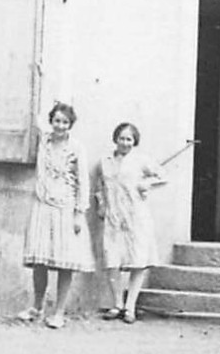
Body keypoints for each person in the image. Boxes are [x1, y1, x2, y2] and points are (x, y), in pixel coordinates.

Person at [17, 102, 92, 329]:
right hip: (42, 205)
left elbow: (83, 182)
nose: (60, 126)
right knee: (39, 260)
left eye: (65, 122)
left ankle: (59, 312)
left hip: (66, 208)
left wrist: (79, 213)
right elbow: (35, 115)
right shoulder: (44, 141)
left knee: (64, 263)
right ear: (52, 121)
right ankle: (37, 307)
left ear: (71, 125)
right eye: (57, 121)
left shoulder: (76, 148)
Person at [96, 122, 167, 324]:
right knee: (112, 260)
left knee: (138, 260)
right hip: (113, 217)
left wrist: (147, 183)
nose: (125, 143)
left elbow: (162, 176)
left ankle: (130, 307)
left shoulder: (140, 160)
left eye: (129, 139)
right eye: (122, 138)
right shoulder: (105, 161)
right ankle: (117, 303)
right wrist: (101, 204)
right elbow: (100, 185)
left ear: (134, 142)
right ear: (115, 139)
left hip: (136, 217)